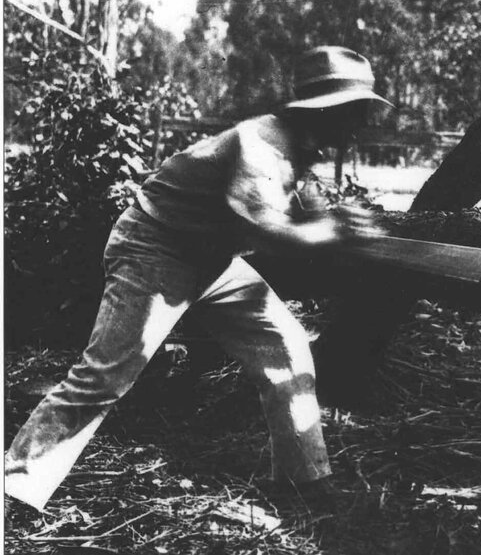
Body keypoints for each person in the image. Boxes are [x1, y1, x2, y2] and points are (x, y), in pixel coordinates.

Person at [5, 46, 390, 512]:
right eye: (353, 112)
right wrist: (335, 232)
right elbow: (268, 231)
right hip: (154, 248)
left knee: (286, 346)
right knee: (106, 375)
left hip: (211, 260)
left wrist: (340, 224)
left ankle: (302, 483)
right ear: (324, 110)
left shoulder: (300, 147)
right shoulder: (259, 144)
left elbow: (306, 214)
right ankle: (15, 487)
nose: (359, 125)